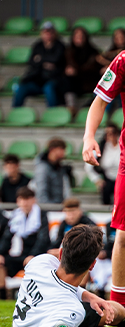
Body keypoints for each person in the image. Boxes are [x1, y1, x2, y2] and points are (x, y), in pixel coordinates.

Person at [12, 225, 125, 327]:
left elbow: (60, 284)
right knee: (117, 311)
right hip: (60, 313)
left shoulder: (40, 262)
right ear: (92, 265)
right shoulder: (74, 310)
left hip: (22, 320)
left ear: (60, 253)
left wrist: (89, 296)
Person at [83, 49, 125, 306]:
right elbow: (99, 100)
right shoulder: (123, 61)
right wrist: (89, 137)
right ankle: (119, 305)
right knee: (123, 234)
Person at [0, 187, 51, 299]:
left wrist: (33, 255)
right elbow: (7, 237)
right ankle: (2, 298)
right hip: (22, 255)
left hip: (39, 255)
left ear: (34, 200)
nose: (24, 203)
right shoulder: (16, 216)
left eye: (27, 199)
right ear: (18, 201)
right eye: (21, 199)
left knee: (35, 265)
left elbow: (43, 239)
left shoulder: (41, 215)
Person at [14, 22, 67, 108]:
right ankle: (15, 113)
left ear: (54, 33)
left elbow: (56, 59)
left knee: (49, 89)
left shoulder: (60, 46)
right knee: (22, 88)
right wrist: (46, 63)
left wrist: (40, 60)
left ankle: (52, 114)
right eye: (45, 32)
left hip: (53, 79)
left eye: (50, 32)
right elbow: (31, 62)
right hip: (37, 80)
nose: (48, 34)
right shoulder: (37, 46)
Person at [66, 26, 102, 113]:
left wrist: (76, 71)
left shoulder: (94, 52)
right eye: (77, 36)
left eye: (82, 36)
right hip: (75, 83)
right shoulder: (68, 51)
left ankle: (88, 108)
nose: (80, 39)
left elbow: (91, 69)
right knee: (63, 82)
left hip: (90, 82)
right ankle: (70, 108)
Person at [88, 124, 121, 205]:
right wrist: (97, 179)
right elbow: (89, 165)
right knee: (106, 192)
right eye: (107, 133)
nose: (111, 136)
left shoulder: (122, 145)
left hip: (122, 178)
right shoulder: (101, 146)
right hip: (107, 178)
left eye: (113, 133)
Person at [35, 137, 74, 205]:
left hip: (58, 206)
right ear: (52, 150)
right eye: (61, 149)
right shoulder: (43, 168)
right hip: (49, 208)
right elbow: (41, 192)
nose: (64, 153)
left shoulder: (59, 168)